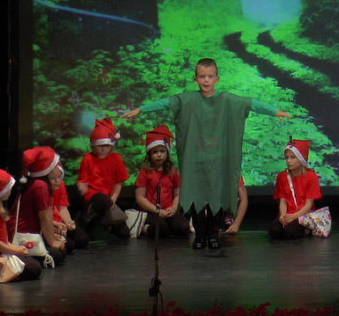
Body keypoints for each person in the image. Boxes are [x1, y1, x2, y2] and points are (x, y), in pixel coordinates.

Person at [122, 57, 292, 250]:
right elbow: (165, 103)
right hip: (196, 161)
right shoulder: (187, 100)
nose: (206, 80)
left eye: (210, 76)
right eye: (202, 76)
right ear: (195, 79)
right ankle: (200, 236)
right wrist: (140, 110)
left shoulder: (227, 100)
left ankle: (213, 235)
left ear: (217, 79)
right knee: (196, 198)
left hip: (218, 161)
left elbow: (251, 103)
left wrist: (274, 111)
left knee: (217, 199)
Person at [9, 146, 67, 266]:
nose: (58, 166)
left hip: (32, 233)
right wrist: (52, 242)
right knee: (58, 254)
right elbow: (45, 217)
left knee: (65, 246)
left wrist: (52, 236)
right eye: (55, 164)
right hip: (22, 237)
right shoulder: (40, 186)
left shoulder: (38, 184)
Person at [77, 117, 131, 239]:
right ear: (93, 145)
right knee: (102, 201)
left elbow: (119, 182)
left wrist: (113, 199)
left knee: (124, 233)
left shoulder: (116, 158)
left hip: (108, 198)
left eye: (107, 146)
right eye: (100, 145)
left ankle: (104, 223)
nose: (103, 149)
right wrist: (81, 187)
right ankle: (87, 217)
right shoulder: (88, 158)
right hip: (93, 195)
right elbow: (82, 180)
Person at [133, 124, 190, 239]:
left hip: (168, 211)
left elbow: (177, 195)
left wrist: (173, 208)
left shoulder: (173, 171)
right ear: (149, 154)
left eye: (162, 151)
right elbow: (140, 198)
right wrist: (157, 211)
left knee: (183, 227)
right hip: (151, 211)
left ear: (167, 152)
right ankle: (144, 229)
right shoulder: (145, 172)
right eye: (155, 152)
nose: (159, 155)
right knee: (161, 229)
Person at [269, 140, 322, 239]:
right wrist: (283, 216)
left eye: (293, 157)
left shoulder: (311, 176)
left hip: (303, 214)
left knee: (290, 231)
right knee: (274, 231)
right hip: (287, 213)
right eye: (287, 157)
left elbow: (309, 204)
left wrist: (294, 216)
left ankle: (306, 230)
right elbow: (282, 202)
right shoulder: (282, 176)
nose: (289, 161)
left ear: (301, 159)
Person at [49, 165, 89, 251]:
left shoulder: (61, 185)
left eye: (59, 177)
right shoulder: (42, 189)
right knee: (69, 246)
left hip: (59, 222)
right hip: (49, 223)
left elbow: (62, 208)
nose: (57, 180)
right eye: (53, 178)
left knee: (82, 240)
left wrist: (68, 222)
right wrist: (55, 224)